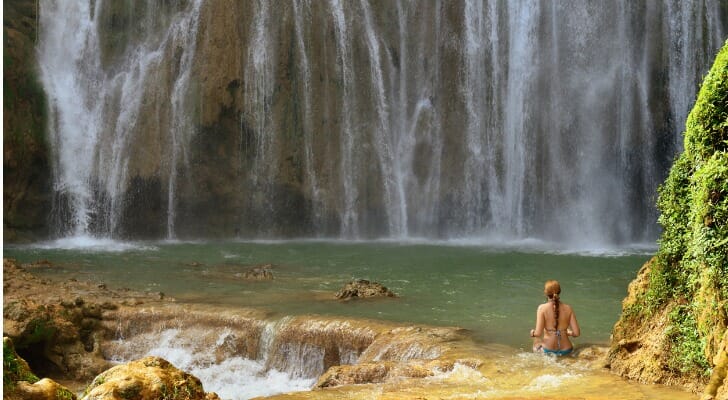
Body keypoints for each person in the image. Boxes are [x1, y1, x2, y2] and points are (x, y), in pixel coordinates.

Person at [529, 280, 580, 356]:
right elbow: (577, 333)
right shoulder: (568, 308)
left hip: (548, 350)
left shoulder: (542, 308)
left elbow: (538, 333)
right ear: (559, 292)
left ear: (546, 293)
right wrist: (568, 332)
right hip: (567, 350)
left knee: (536, 340)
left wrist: (532, 333)